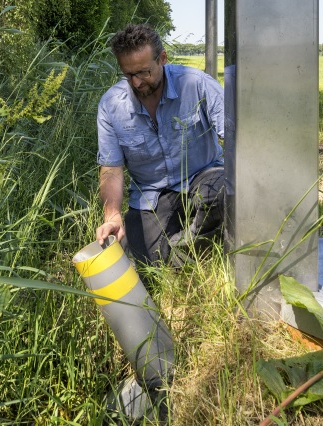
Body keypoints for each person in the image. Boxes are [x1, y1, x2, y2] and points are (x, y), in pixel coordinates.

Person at [95, 24, 226, 267]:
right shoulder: (111, 105)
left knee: (219, 194)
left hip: (203, 176)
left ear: (162, 58)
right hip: (152, 195)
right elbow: (111, 169)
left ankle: (195, 243)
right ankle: (186, 248)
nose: (136, 83)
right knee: (148, 264)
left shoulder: (196, 84)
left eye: (144, 72)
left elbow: (234, 135)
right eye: (128, 75)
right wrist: (112, 214)